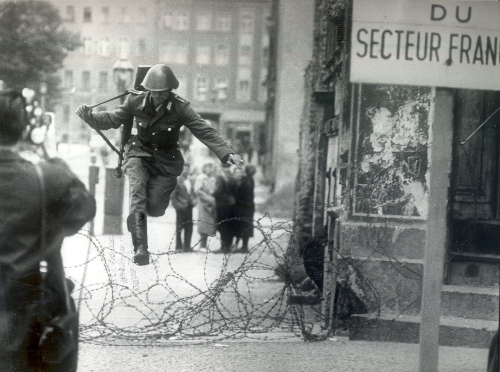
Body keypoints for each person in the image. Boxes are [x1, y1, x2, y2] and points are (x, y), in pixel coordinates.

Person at [76, 64, 243, 265]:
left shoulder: (180, 108)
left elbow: (204, 130)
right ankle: (140, 247)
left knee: (155, 208)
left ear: (170, 90)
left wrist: (227, 153)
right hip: (138, 153)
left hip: (166, 161)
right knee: (137, 190)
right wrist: (90, 116)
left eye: (162, 93)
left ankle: (137, 219)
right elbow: (113, 119)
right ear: (148, 90)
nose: (158, 97)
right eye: (154, 93)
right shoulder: (135, 101)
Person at [0, 90, 96, 371]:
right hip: (25, 319)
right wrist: (53, 156)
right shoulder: (47, 178)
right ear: (28, 131)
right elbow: (84, 209)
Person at [213, 163, 238, 253]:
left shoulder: (220, 178)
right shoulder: (232, 178)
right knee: (230, 225)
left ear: (221, 167)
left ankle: (223, 246)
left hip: (221, 205)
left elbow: (218, 191)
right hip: (231, 205)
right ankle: (229, 246)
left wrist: (212, 193)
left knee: (222, 225)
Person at [170, 162, 195, 252]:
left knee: (189, 227)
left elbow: (192, 193)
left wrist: (193, 200)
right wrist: (178, 206)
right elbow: (172, 196)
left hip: (189, 207)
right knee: (179, 227)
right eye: (185, 168)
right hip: (180, 208)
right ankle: (178, 247)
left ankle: (187, 246)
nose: (186, 170)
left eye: (188, 168)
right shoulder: (177, 180)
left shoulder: (190, 180)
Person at [194, 161, 217, 252]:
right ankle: (202, 245)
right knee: (203, 223)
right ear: (204, 168)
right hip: (203, 204)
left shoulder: (210, 178)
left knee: (208, 224)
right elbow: (197, 190)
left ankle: (204, 245)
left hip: (209, 204)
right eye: (208, 167)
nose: (210, 169)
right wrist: (207, 198)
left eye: (211, 167)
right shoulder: (201, 178)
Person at [233, 165, 256, 253]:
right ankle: (243, 246)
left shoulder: (247, 180)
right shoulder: (248, 180)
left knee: (243, 226)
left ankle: (243, 246)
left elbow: (242, 192)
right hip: (246, 206)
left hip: (244, 207)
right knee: (244, 226)